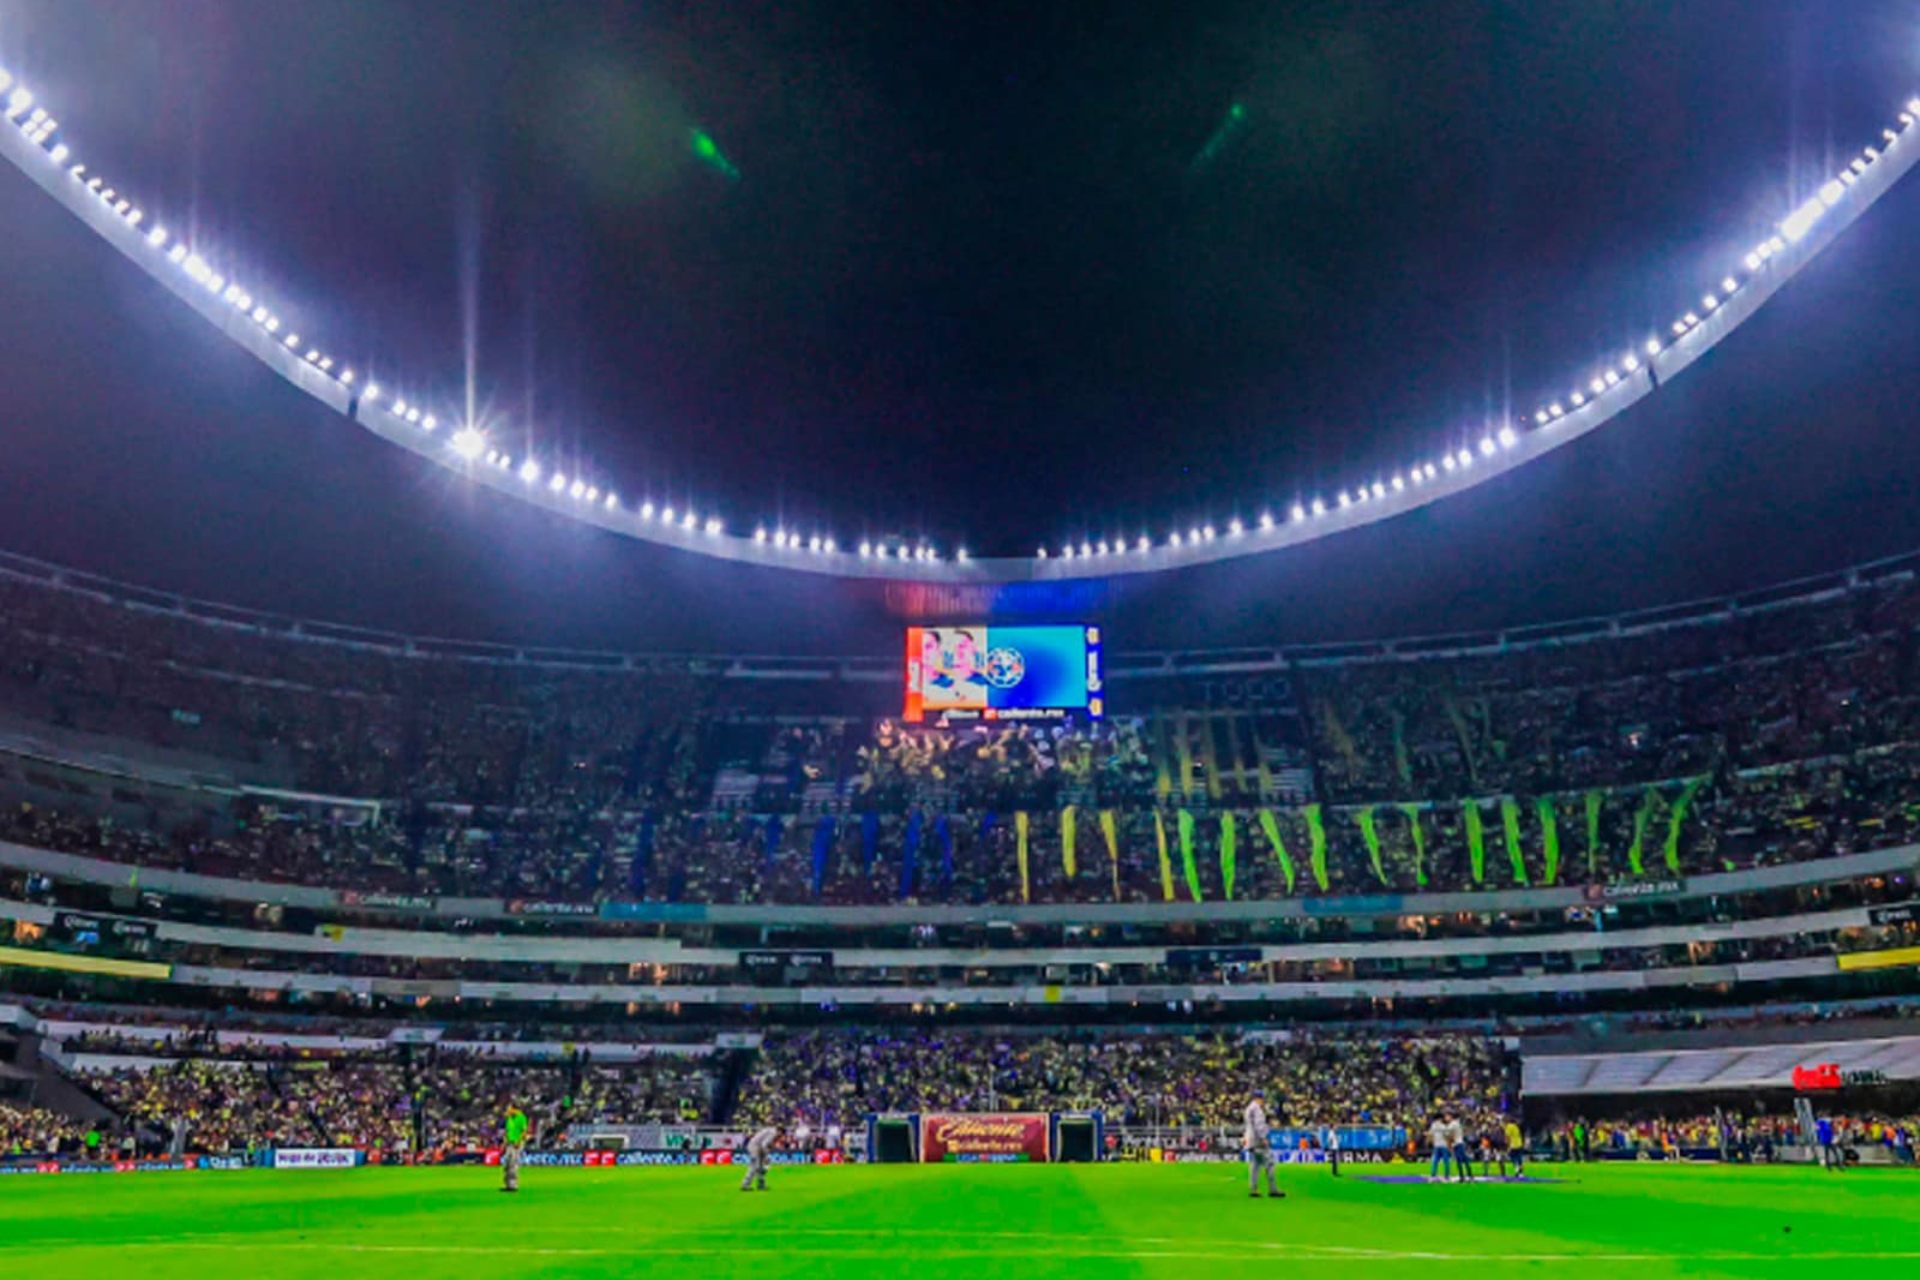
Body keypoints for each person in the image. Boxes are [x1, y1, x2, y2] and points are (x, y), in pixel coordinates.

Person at [1244, 1089, 1282, 1199]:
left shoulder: (1248, 1108)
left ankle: (1253, 1189)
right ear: (1259, 1098)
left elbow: (1249, 1125)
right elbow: (1259, 1125)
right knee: (1269, 1163)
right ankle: (1273, 1189)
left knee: (1254, 1166)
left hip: (1251, 1140)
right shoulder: (1257, 1109)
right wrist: (1264, 1138)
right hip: (1258, 1141)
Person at [741, 1123, 778, 1192]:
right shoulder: (773, 1133)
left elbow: (764, 1144)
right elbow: (764, 1144)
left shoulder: (770, 1130)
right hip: (754, 1147)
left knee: (761, 1167)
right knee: (754, 1166)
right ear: (780, 1132)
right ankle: (745, 1185)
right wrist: (766, 1156)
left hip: (757, 1147)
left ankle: (761, 1185)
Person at [501, 1104, 528, 1193]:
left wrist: (519, 1141)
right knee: (507, 1164)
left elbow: (524, 1131)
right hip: (509, 1143)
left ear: (514, 1109)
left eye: (509, 1109)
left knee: (513, 1163)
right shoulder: (509, 1118)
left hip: (516, 1143)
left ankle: (513, 1185)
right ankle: (507, 1184)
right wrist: (504, 1142)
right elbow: (507, 1131)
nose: (508, 1110)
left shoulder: (521, 1118)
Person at [1428, 1114, 1453, 1183]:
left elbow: (1430, 1135)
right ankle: (1447, 1176)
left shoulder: (1433, 1126)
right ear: (1440, 1119)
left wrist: (1433, 1142)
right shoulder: (1443, 1126)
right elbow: (1447, 1136)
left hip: (1436, 1145)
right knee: (1446, 1161)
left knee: (1435, 1161)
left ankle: (1433, 1176)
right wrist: (1450, 1146)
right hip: (1443, 1145)